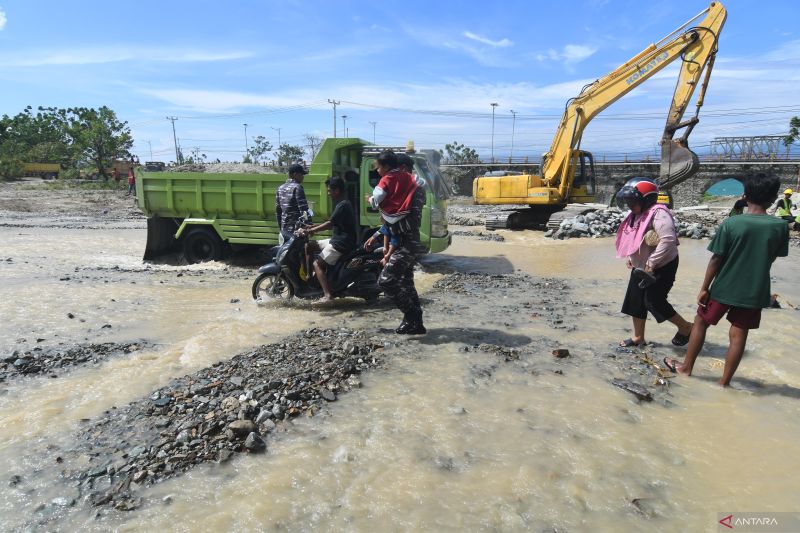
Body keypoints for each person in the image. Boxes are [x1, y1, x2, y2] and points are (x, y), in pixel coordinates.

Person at [664, 174, 789, 386]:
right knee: (739, 335)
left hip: (724, 286)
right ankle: (724, 383)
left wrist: (704, 287)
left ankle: (686, 368)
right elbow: (771, 257)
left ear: (745, 196)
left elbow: (716, 258)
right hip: (754, 289)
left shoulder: (732, 223)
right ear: (773, 198)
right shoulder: (780, 227)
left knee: (701, 322)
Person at [615, 178, 693, 347]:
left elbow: (668, 240)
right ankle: (638, 337)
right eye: (627, 201)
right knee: (635, 299)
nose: (629, 205)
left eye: (632, 201)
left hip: (663, 264)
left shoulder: (659, 213)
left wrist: (652, 262)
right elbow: (634, 237)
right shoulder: (636, 214)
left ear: (646, 200)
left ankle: (686, 327)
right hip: (641, 266)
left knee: (654, 301)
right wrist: (632, 257)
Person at [365, 150, 425, 334]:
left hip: (407, 242)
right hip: (401, 242)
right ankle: (416, 325)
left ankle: (412, 315)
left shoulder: (415, 190)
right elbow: (391, 223)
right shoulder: (400, 190)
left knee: (386, 280)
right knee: (407, 284)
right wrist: (381, 238)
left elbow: (410, 221)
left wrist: (391, 238)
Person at [297, 177, 357, 301]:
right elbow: (333, 222)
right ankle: (310, 277)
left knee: (317, 264)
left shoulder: (343, 204)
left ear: (337, 190)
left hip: (342, 242)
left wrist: (312, 231)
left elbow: (330, 224)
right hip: (337, 239)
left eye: (330, 191)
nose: (328, 193)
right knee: (309, 246)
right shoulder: (341, 203)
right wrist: (311, 226)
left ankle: (327, 295)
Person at [275, 163, 311, 242]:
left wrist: (281, 228)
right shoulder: (297, 187)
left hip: (284, 229)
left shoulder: (280, 188)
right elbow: (304, 210)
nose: (303, 177)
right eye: (301, 174)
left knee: (286, 252)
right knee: (299, 252)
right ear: (295, 174)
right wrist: (309, 226)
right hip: (297, 230)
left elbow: (278, 211)